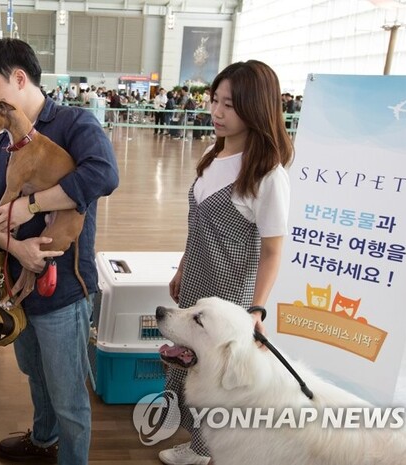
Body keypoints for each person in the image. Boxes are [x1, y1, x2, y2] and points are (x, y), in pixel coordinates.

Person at [0, 38, 119, 464]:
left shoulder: (74, 124)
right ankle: (44, 438)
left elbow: (103, 176)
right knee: (35, 373)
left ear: (18, 79)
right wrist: (17, 246)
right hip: (19, 283)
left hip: (64, 288)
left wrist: (28, 205)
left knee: (69, 395)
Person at [159, 60, 293, 465]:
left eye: (229, 105)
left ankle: (207, 452)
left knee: (218, 377)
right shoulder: (213, 154)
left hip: (230, 294)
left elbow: (272, 251)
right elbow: (198, 223)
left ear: (255, 108)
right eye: (214, 100)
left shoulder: (267, 175)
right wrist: (183, 267)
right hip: (198, 282)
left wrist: (255, 310)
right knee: (188, 364)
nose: (216, 112)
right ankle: (198, 444)